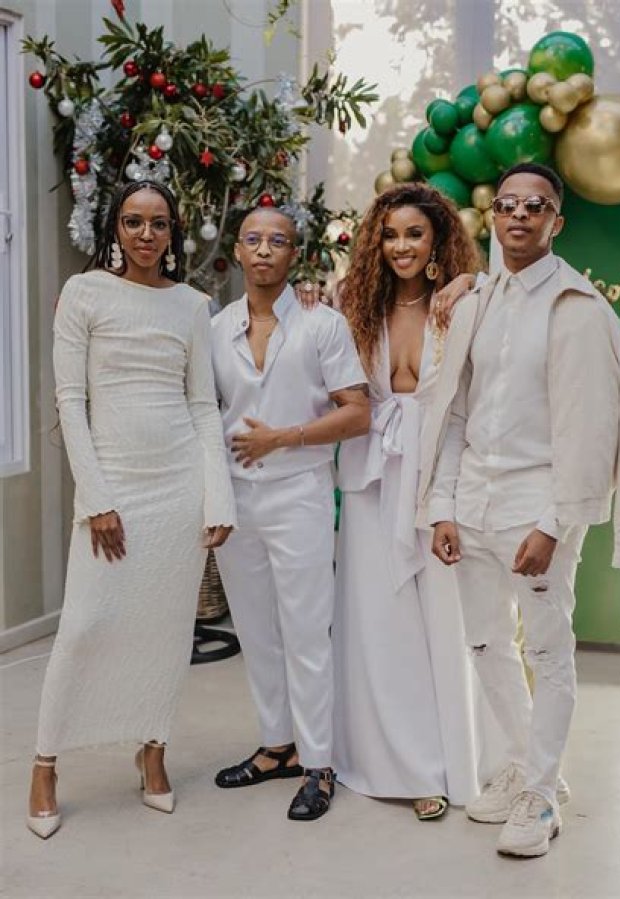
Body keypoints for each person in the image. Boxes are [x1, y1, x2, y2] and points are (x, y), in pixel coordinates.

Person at [420, 162, 620, 856]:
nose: (519, 214)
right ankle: (527, 765)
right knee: (485, 642)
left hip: (537, 505)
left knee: (547, 648)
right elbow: (455, 412)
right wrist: (441, 505)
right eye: (508, 204)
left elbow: (591, 431)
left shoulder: (580, 309)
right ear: (493, 217)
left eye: (536, 205)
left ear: (557, 222)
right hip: (472, 500)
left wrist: (554, 524)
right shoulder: (476, 302)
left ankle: (542, 797)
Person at [27, 180, 237, 839]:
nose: (146, 234)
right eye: (133, 221)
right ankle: (45, 763)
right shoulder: (84, 293)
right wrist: (97, 498)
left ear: (173, 232)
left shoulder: (191, 305)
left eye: (158, 223)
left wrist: (217, 492)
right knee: (84, 625)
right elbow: (70, 401)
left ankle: (152, 750)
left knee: (165, 630)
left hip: (178, 487)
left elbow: (203, 406)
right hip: (113, 484)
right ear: (115, 227)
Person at [332, 182, 486, 820]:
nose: (401, 246)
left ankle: (447, 763)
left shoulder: (463, 304)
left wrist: (473, 281)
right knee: (377, 620)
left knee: (443, 623)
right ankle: (392, 763)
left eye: (415, 234)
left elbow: (509, 303)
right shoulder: (354, 305)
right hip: (373, 476)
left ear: (437, 241)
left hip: (437, 474)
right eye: (390, 235)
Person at [211, 206, 370, 821]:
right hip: (235, 499)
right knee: (256, 630)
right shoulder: (216, 328)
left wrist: (283, 438)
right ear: (237, 249)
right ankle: (276, 746)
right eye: (252, 239)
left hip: (299, 492)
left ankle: (318, 762)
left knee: (306, 632)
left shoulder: (322, 325)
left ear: (293, 253)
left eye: (276, 240)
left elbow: (357, 412)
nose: (263, 249)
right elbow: (201, 412)